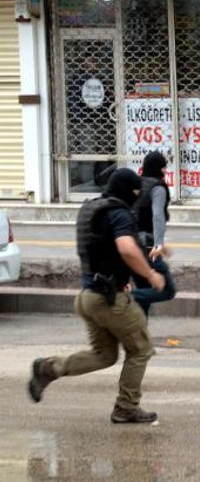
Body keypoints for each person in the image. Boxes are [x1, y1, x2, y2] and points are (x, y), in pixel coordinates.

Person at [28, 168, 166, 423]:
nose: (138, 196)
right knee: (141, 349)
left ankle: (48, 368)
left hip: (87, 296)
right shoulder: (119, 212)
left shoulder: (91, 209)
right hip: (109, 300)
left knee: (105, 355)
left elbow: (101, 250)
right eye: (136, 191)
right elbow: (125, 248)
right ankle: (126, 407)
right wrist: (150, 275)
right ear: (129, 190)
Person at [131, 151, 177, 316]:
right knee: (167, 289)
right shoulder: (158, 188)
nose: (165, 171)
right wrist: (158, 244)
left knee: (144, 290)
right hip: (148, 245)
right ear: (158, 168)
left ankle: (138, 334)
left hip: (132, 243)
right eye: (164, 167)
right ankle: (124, 298)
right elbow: (157, 215)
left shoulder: (137, 184)